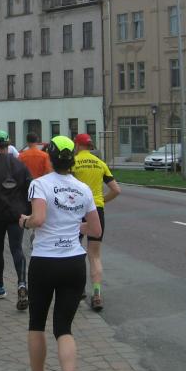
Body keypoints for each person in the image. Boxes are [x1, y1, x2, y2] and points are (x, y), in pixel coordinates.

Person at [18, 136, 101, 371]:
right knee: (64, 328)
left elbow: (39, 219)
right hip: (74, 262)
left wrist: (24, 222)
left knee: (37, 324)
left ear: (50, 158)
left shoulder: (39, 184)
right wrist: (74, 226)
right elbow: (95, 230)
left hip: (45, 261)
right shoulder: (83, 188)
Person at [0, 130, 33, 309]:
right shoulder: (20, 164)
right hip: (17, 213)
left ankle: (0, 286)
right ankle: (22, 284)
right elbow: (29, 186)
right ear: (9, 144)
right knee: (17, 248)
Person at [70, 133, 120, 311]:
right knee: (95, 254)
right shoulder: (100, 163)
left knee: (74, 251)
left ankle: (79, 289)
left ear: (77, 145)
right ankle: (97, 294)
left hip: (76, 210)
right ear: (90, 146)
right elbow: (116, 190)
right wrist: (101, 201)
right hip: (96, 210)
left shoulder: (73, 163)